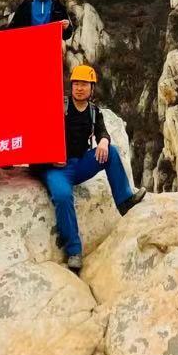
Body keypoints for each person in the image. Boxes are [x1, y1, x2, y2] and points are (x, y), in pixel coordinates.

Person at [38, 63, 145, 273]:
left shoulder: (94, 112)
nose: (79, 88)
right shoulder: (60, 106)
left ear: (92, 88)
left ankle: (124, 201)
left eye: (84, 84)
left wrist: (103, 141)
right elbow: (39, 134)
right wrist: (50, 160)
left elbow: (102, 131)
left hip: (79, 164)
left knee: (111, 152)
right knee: (62, 196)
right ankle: (74, 251)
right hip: (56, 167)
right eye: (76, 83)